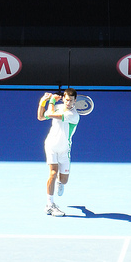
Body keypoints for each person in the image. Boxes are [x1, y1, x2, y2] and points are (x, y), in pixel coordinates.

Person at [37, 89, 80, 217]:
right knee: (53, 173)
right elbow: (40, 117)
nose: (68, 103)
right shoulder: (57, 107)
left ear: (75, 101)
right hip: (51, 145)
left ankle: (59, 182)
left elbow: (50, 114)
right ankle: (49, 205)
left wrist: (51, 100)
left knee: (64, 180)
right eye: (66, 100)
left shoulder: (74, 115)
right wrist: (42, 102)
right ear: (63, 99)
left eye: (71, 100)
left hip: (64, 150)